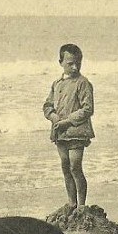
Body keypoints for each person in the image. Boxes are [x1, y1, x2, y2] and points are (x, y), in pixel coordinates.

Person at [43, 43, 94, 208]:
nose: (74, 67)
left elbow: (88, 109)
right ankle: (72, 202)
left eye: (78, 63)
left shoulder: (83, 83)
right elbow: (47, 106)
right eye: (70, 63)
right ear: (60, 62)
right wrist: (53, 117)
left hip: (77, 130)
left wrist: (67, 120)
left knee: (75, 166)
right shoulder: (56, 83)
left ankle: (82, 205)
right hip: (60, 132)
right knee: (65, 166)